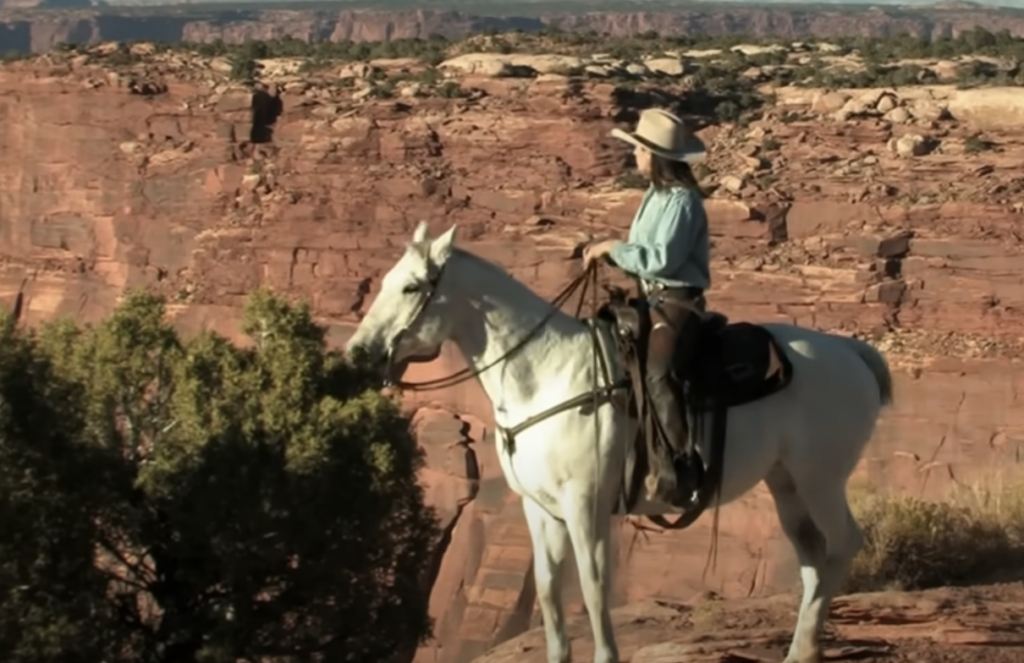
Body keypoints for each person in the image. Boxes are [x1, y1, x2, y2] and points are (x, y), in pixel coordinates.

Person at [583, 107, 711, 509]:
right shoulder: (655, 196)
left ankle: (682, 465)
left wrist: (613, 248)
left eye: (639, 150)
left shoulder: (683, 201)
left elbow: (662, 260)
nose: (634, 156)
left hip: (676, 301)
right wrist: (609, 253)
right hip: (649, 298)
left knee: (658, 373)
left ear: (656, 156)